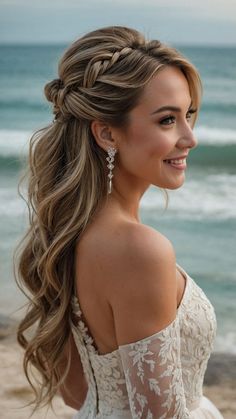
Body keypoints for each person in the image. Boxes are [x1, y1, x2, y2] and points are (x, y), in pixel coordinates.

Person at [15, 26, 224, 418]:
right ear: (107, 133)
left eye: (189, 115)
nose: (190, 137)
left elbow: (76, 392)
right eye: (167, 120)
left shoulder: (70, 236)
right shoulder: (139, 250)